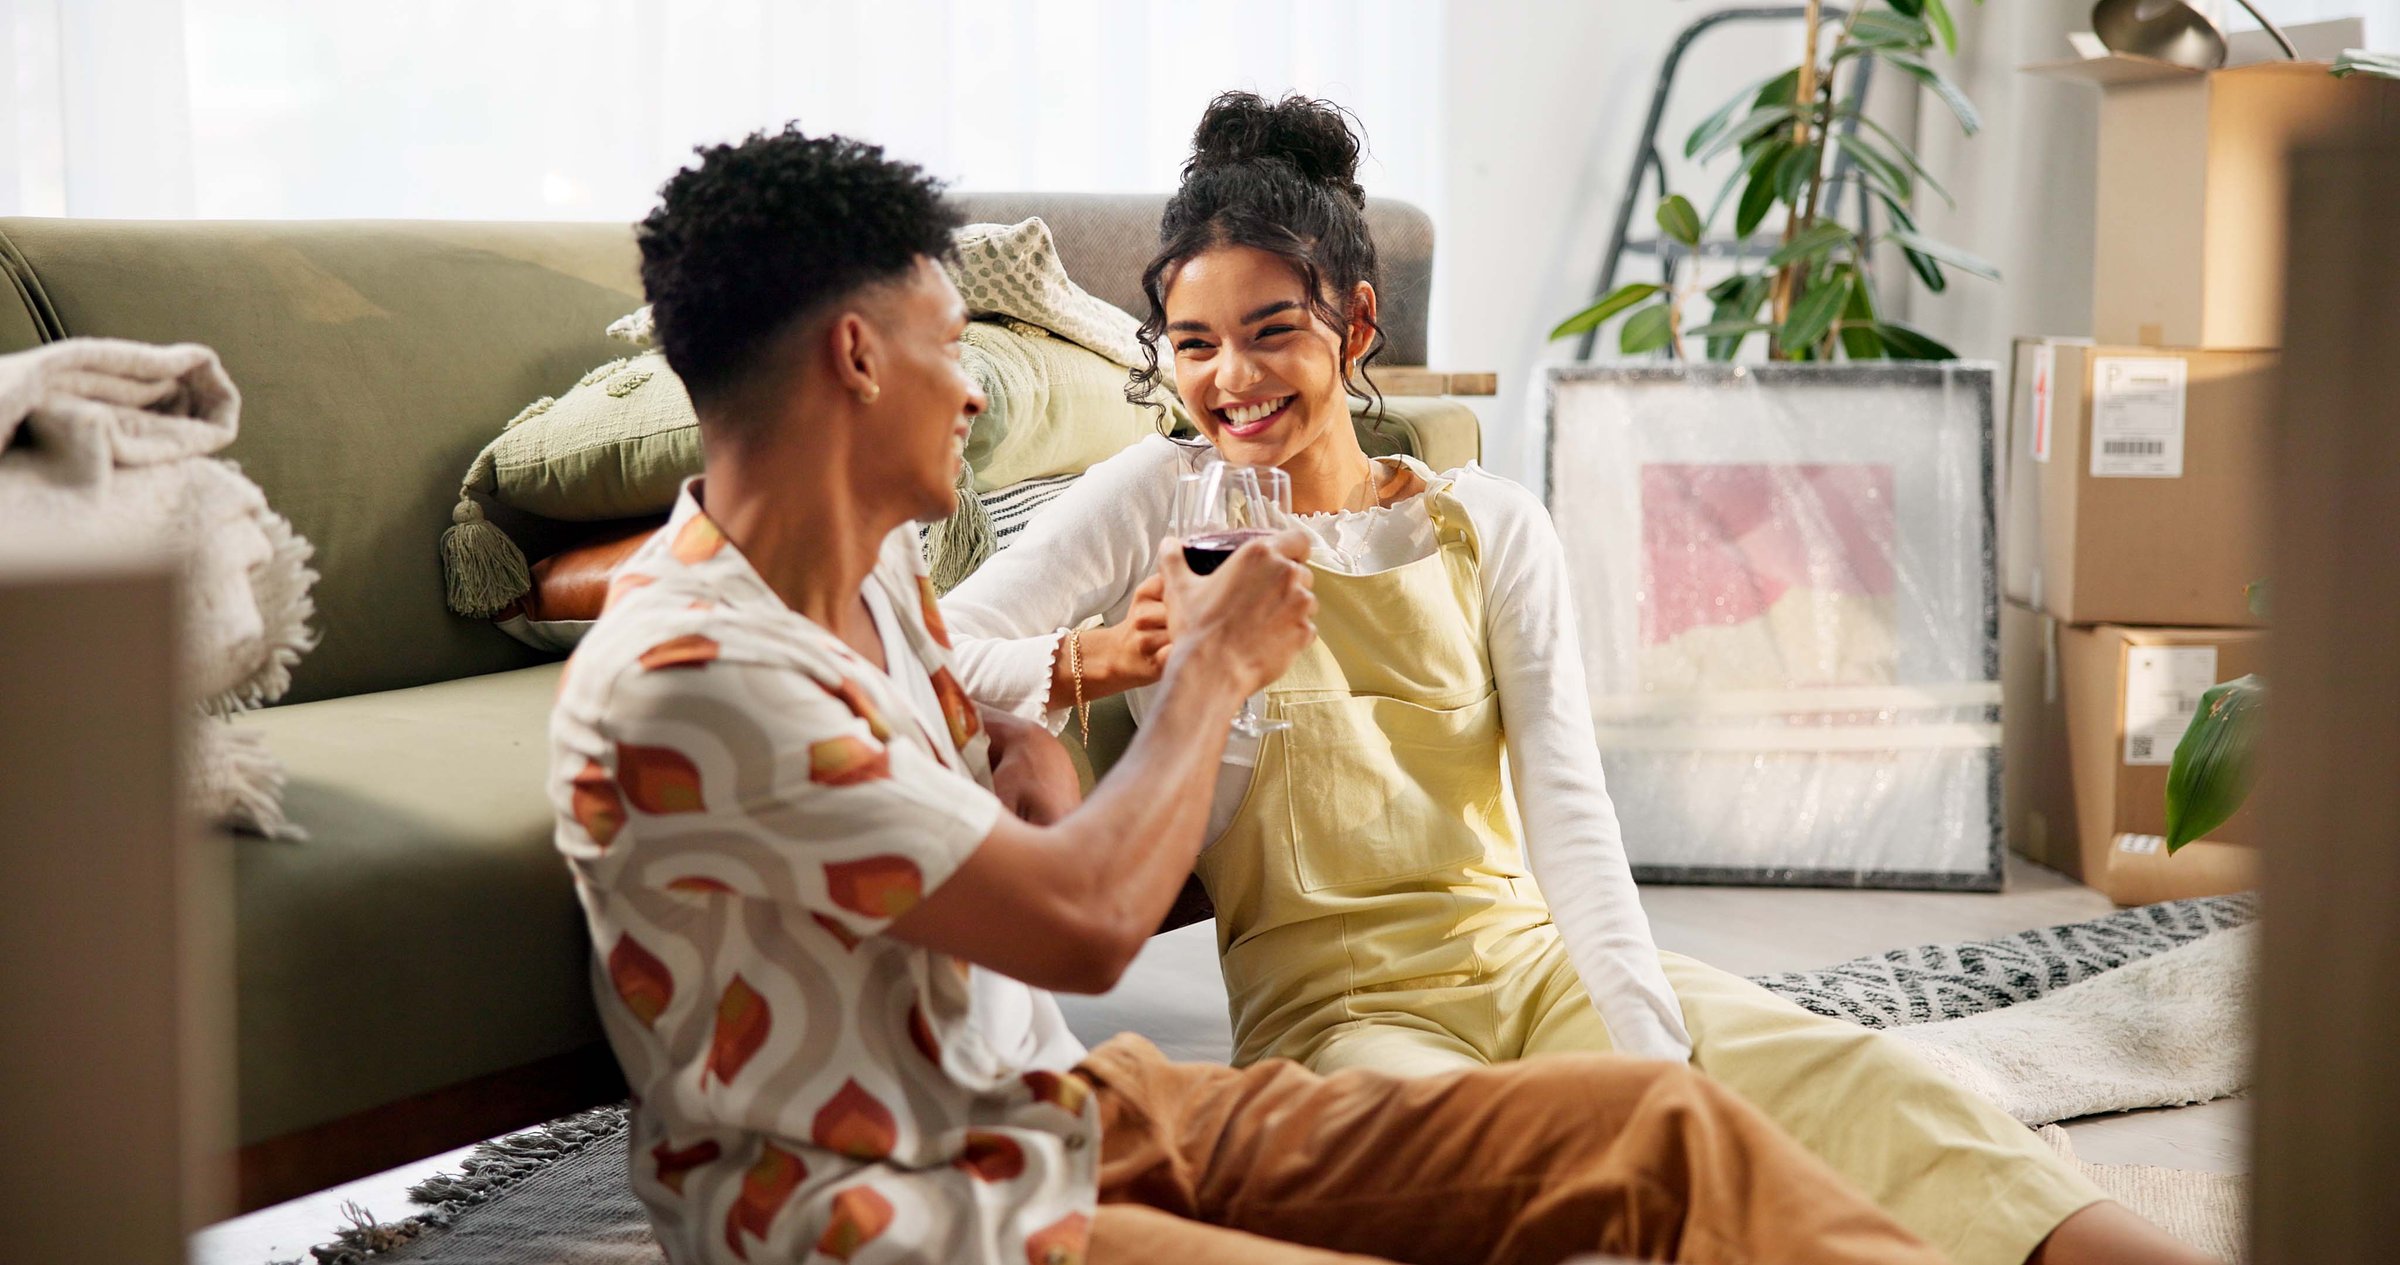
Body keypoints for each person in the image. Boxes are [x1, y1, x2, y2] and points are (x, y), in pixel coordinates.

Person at [548, 123, 1948, 1265]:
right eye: (950, 343)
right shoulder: (698, 680)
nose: (974, 394)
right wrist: (1209, 664)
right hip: (923, 1208)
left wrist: (1032, 730)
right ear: (857, 358)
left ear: (1353, 330)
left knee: (1666, 1128)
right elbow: (1089, 923)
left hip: (1070, 1106)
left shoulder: (875, 573)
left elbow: (995, 751)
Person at [943, 93, 2213, 1265]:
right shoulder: (1158, 499)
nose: (1233, 380)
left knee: (1871, 1087)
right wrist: (1106, 658)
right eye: (1195, 343)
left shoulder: (1490, 522)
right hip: (1338, 1014)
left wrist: (1658, 1055)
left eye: (1274, 333)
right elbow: (931, 643)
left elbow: (1571, 812)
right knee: (1478, 1174)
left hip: (1529, 961)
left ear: (1359, 323)